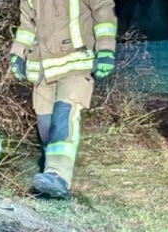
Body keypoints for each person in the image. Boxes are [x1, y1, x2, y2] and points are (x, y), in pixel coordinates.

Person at [9, 0, 117, 198]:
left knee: (63, 118)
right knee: (46, 125)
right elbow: (26, 26)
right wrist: (18, 55)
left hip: (76, 63)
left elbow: (103, 11)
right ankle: (51, 178)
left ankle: (58, 177)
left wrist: (105, 49)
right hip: (43, 70)